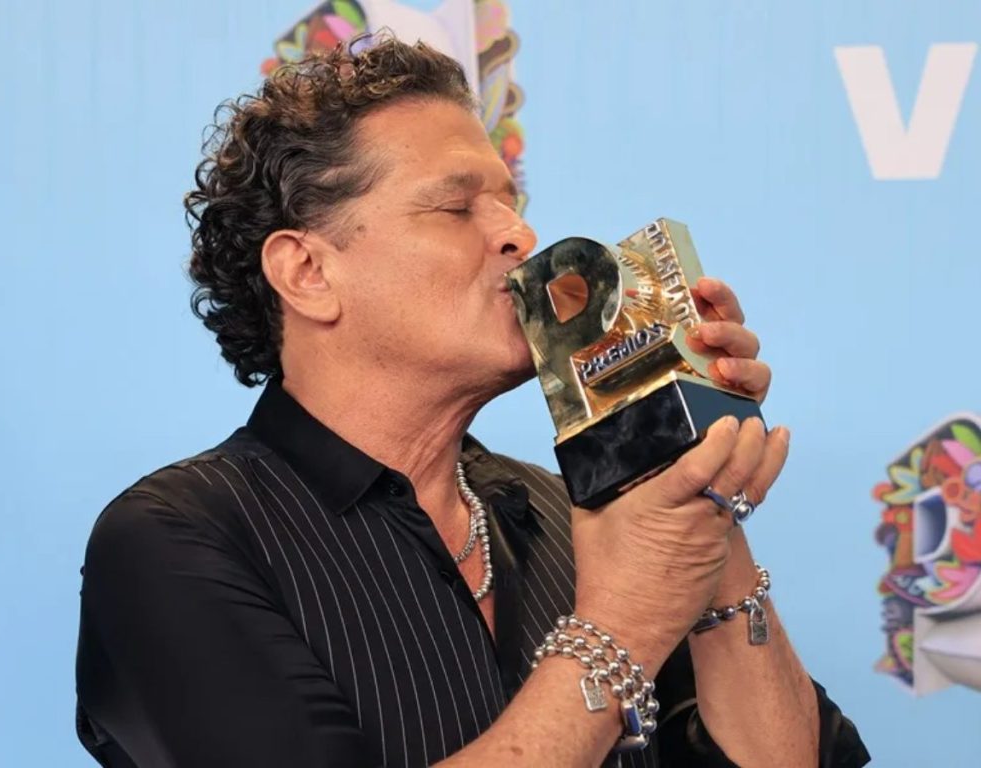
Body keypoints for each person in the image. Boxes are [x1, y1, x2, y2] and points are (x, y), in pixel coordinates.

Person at [75, 36, 870, 768]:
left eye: (511, 202)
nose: (518, 236)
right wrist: (620, 624)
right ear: (308, 273)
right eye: (457, 208)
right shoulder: (175, 539)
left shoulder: (570, 513)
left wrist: (693, 475)